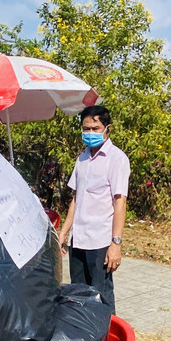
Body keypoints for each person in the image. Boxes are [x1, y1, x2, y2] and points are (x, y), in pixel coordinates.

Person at [55, 105, 130, 314]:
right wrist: (64, 232)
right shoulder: (82, 158)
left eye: (95, 129)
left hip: (100, 241)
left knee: (101, 297)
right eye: (86, 129)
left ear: (107, 129)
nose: (90, 133)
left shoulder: (117, 159)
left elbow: (119, 202)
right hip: (78, 240)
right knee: (78, 295)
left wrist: (116, 244)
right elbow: (76, 198)